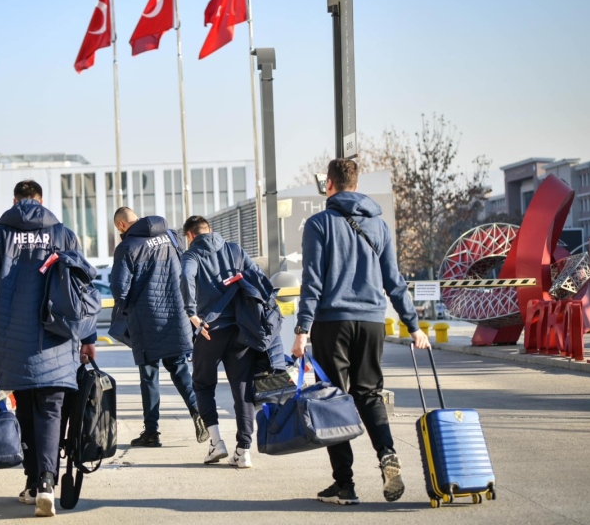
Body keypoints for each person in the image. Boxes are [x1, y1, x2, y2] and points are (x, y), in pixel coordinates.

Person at [291, 158, 430, 506]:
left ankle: (346, 485)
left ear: (329, 183)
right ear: (356, 183)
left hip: (331, 321)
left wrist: (301, 329)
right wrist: (414, 326)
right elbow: (394, 281)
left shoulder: (319, 223)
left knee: (333, 401)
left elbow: (313, 282)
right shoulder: (379, 224)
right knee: (369, 394)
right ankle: (386, 453)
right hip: (371, 321)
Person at [0, 180, 97, 518]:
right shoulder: (64, 234)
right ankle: (46, 482)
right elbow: (81, 290)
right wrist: (88, 339)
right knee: (52, 410)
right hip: (57, 337)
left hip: (10, 338)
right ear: (41, 201)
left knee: (25, 408)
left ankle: (32, 483)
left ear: (14, 201)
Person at [110, 207, 207, 448]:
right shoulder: (171, 236)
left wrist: (124, 309)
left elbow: (119, 289)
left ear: (121, 225)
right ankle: (200, 412)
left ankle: (151, 432)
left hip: (145, 318)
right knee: (179, 367)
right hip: (176, 313)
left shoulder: (127, 247)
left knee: (149, 375)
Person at [181, 215, 261, 469]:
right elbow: (257, 277)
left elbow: (185, 277)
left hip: (209, 330)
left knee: (203, 385)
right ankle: (244, 450)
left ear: (190, 235)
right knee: (242, 388)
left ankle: (217, 443)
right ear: (210, 231)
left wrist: (191, 313)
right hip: (240, 329)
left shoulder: (192, 255)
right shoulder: (234, 250)